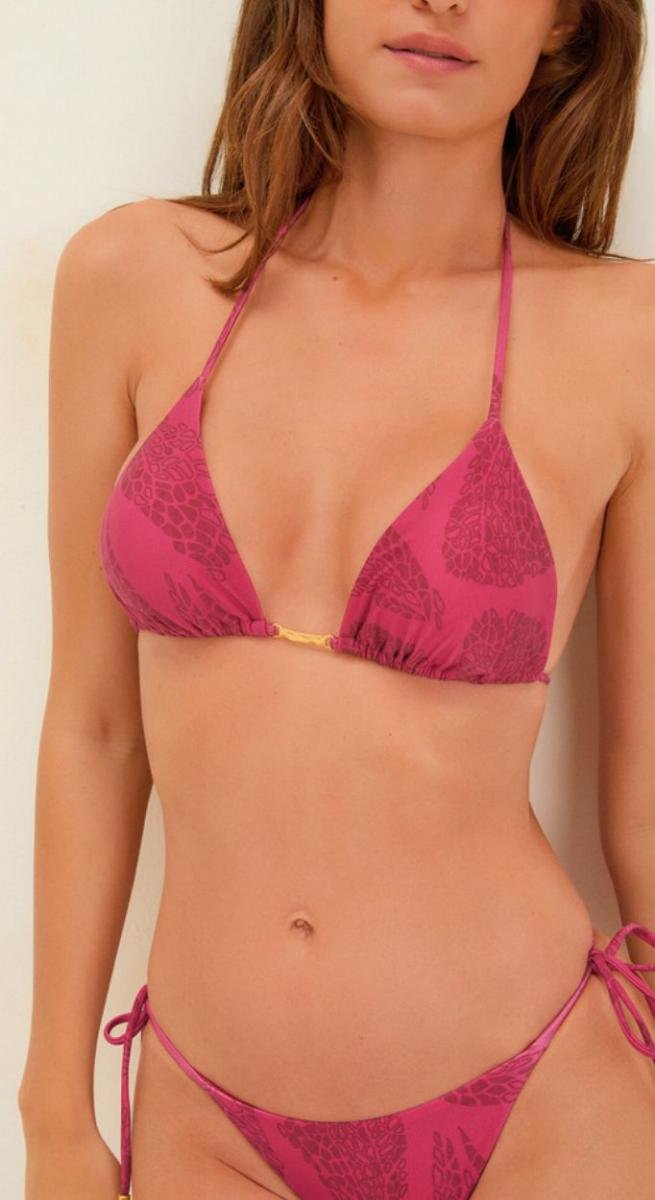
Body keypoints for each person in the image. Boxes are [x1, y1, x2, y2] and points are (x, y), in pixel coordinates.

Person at [19, 1, 655, 1197]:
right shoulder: (132, 277)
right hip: (209, 1128)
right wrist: (52, 1108)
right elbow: (94, 729)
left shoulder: (627, 337)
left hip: (545, 1108)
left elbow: (647, 789)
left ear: (567, 20)